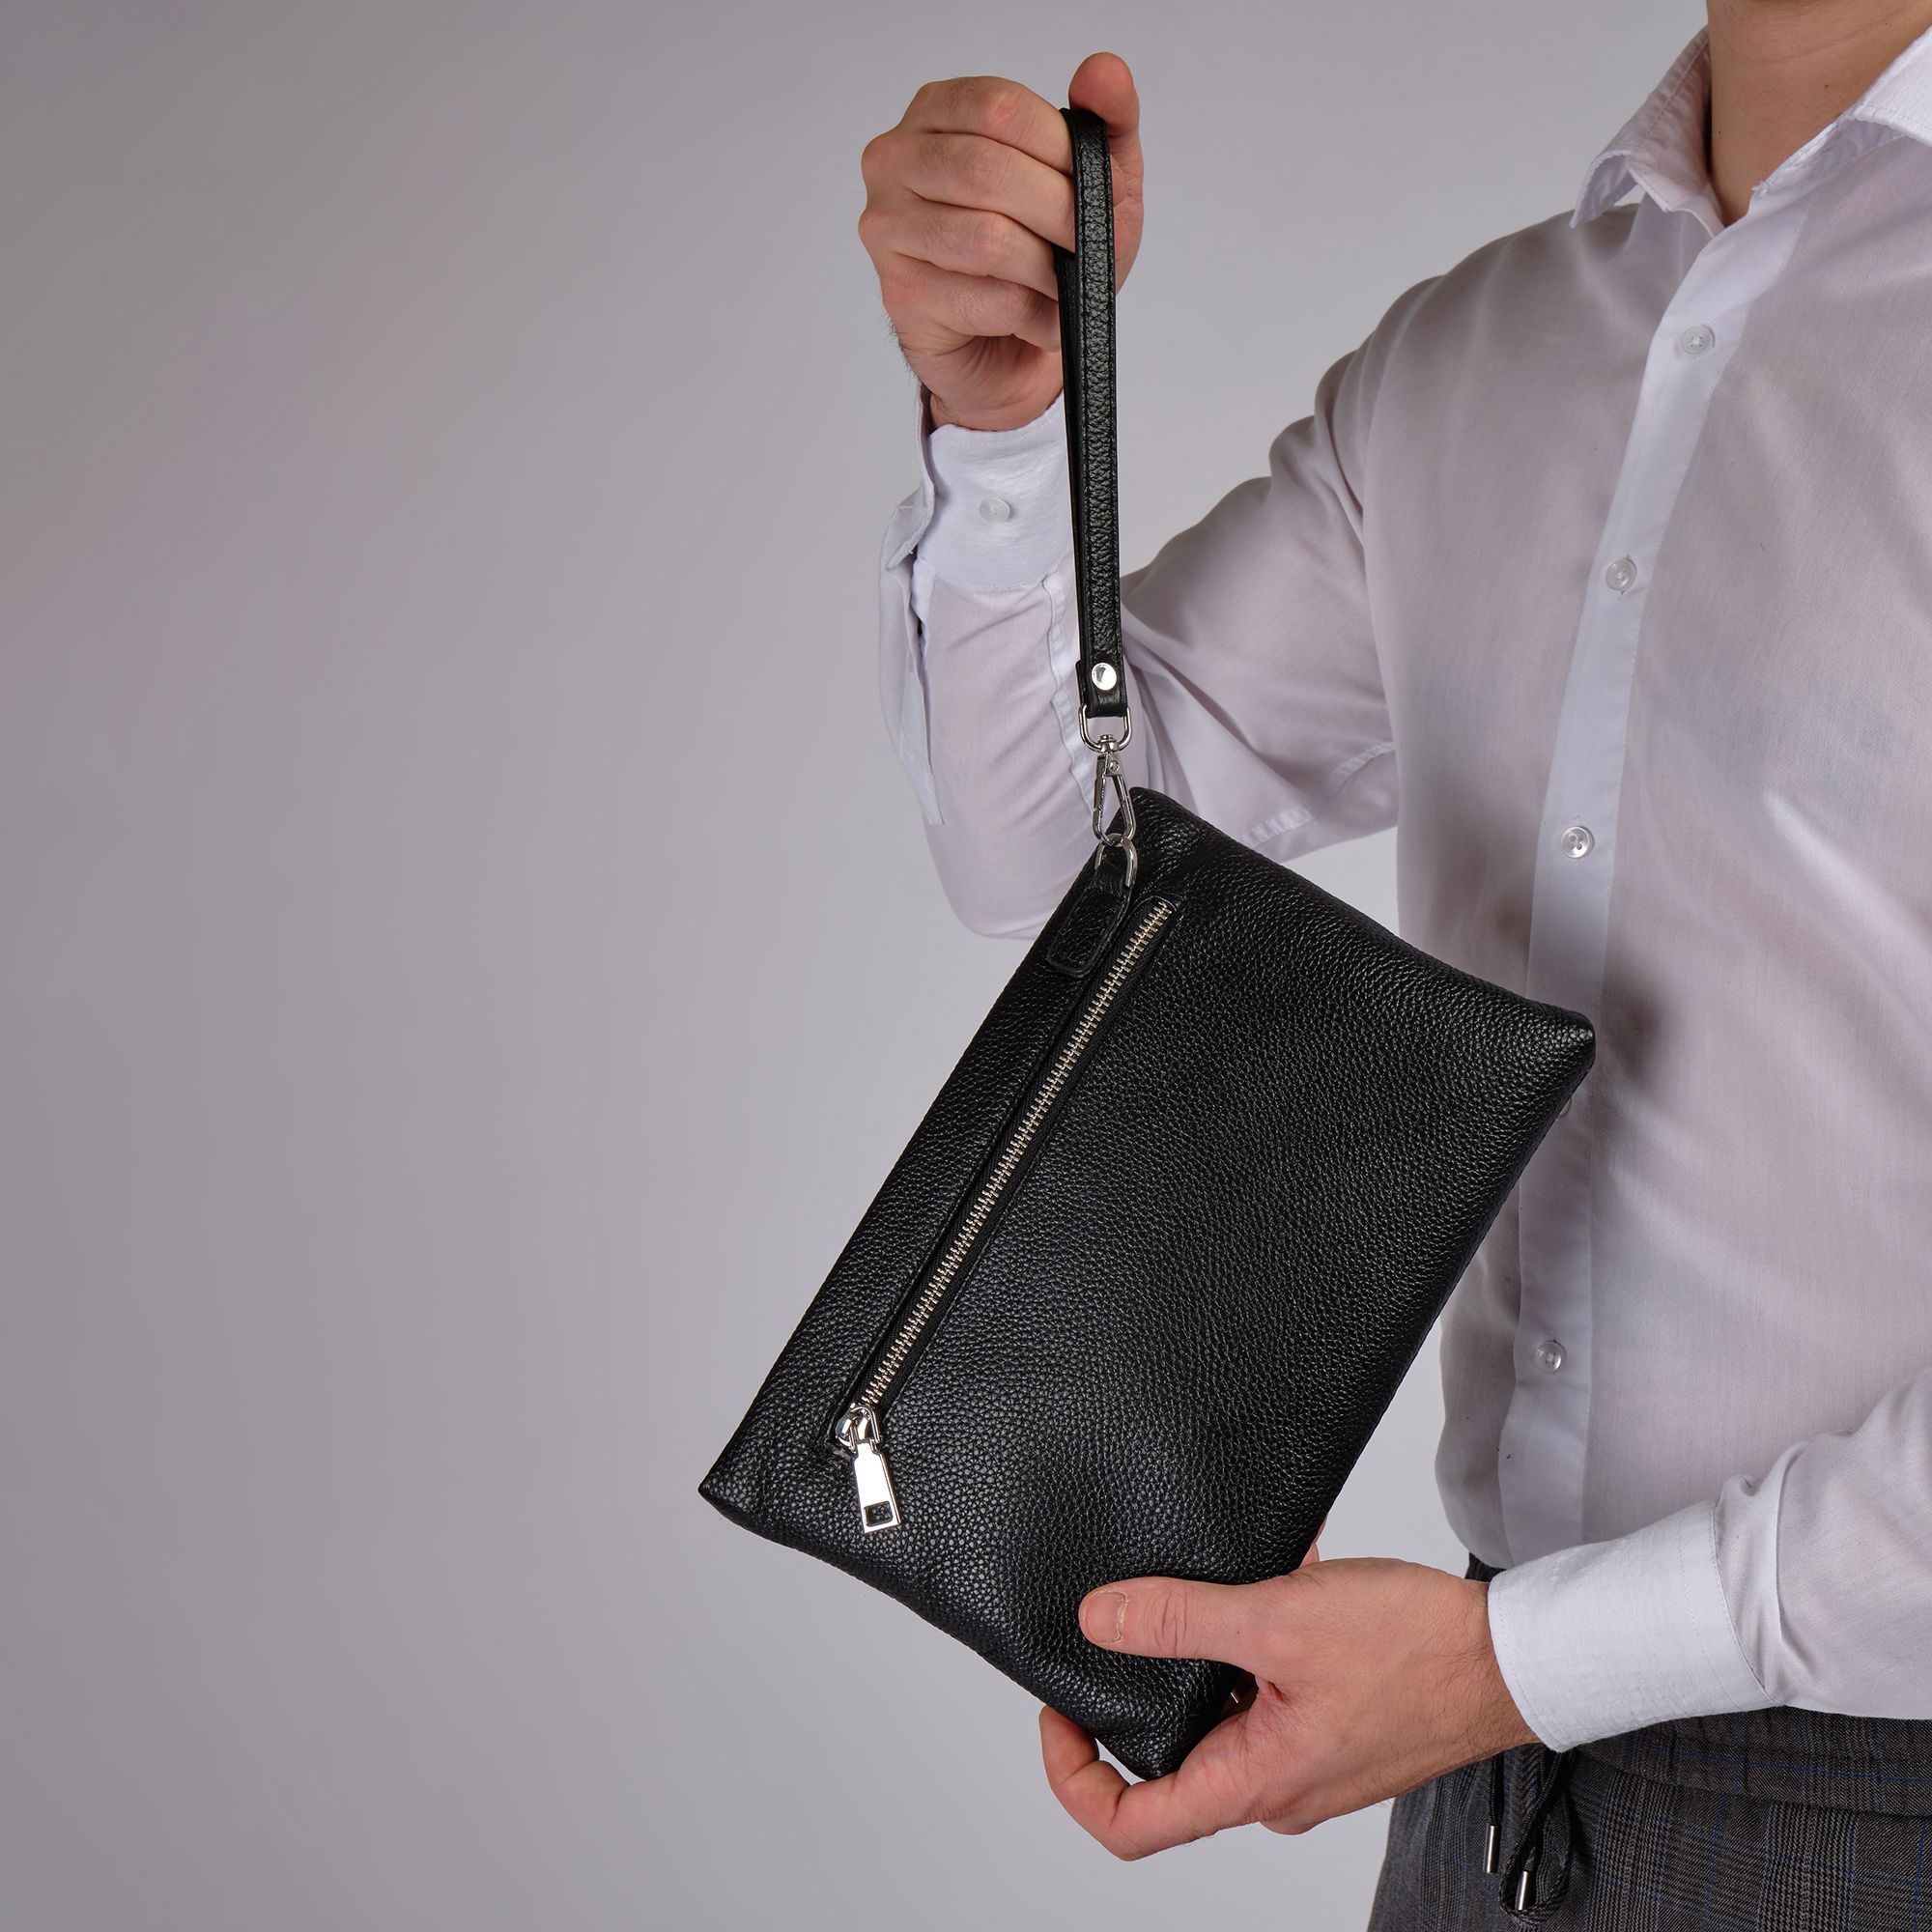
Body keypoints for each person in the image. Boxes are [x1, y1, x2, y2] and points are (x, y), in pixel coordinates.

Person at [855, 5, 1932, 1927]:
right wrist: (1010, 432)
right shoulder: (1479, 352)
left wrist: (1515, 1664)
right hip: (1492, 1806)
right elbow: (1061, 855)